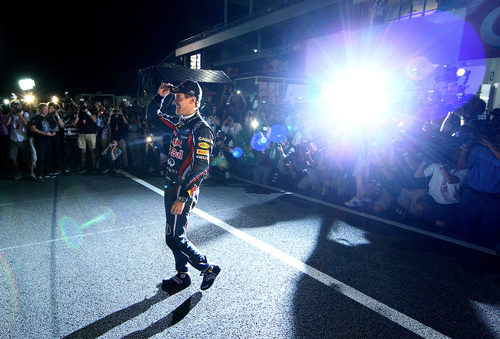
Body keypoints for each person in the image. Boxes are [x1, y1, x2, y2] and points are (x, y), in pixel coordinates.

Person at [146, 79, 221, 292]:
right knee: (172, 237)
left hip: (182, 191)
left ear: (193, 100)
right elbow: (152, 116)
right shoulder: (179, 122)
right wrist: (159, 97)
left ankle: (208, 268)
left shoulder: (201, 129)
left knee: (175, 237)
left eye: (178, 98)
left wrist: (183, 196)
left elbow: (201, 167)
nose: (175, 102)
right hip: (170, 186)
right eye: (175, 98)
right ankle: (182, 274)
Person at [29, 103, 55, 181]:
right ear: (40, 109)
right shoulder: (36, 118)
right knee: (40, 157)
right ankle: (39, 174)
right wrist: (43, 133)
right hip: (40, 140)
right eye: (44, 109)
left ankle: (47, 172)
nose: (46, 110)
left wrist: (52, 132)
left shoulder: (48, 118)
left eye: (47, 109)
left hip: (48, 139)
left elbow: (50, 127)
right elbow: (32, 128)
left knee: (48, 156)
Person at [5, 101, 31, 180]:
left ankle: (31, 172)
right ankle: (17, 173)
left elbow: (27, 124)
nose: (15, 107)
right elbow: (7, 124)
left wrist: (20, 115)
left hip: (23, 139)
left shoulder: (25, 114)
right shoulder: (10, 115)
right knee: (14, 157)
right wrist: (10, 114)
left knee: (27, 157)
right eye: (13, 106)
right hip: (13, 139)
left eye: (17, 105)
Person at [74, 99, 97, 173]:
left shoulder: (92, 110)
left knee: (92, 150)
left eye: (84, 104)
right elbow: (75, 123)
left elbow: (95, 120)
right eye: (81, 104)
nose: (83, 105)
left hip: (91, 133)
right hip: (82, 133)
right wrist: (77, 113)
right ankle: (83, 167)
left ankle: (93, 166)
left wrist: (87, 112)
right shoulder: (79, 112)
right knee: (83, 151)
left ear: (87, 104)